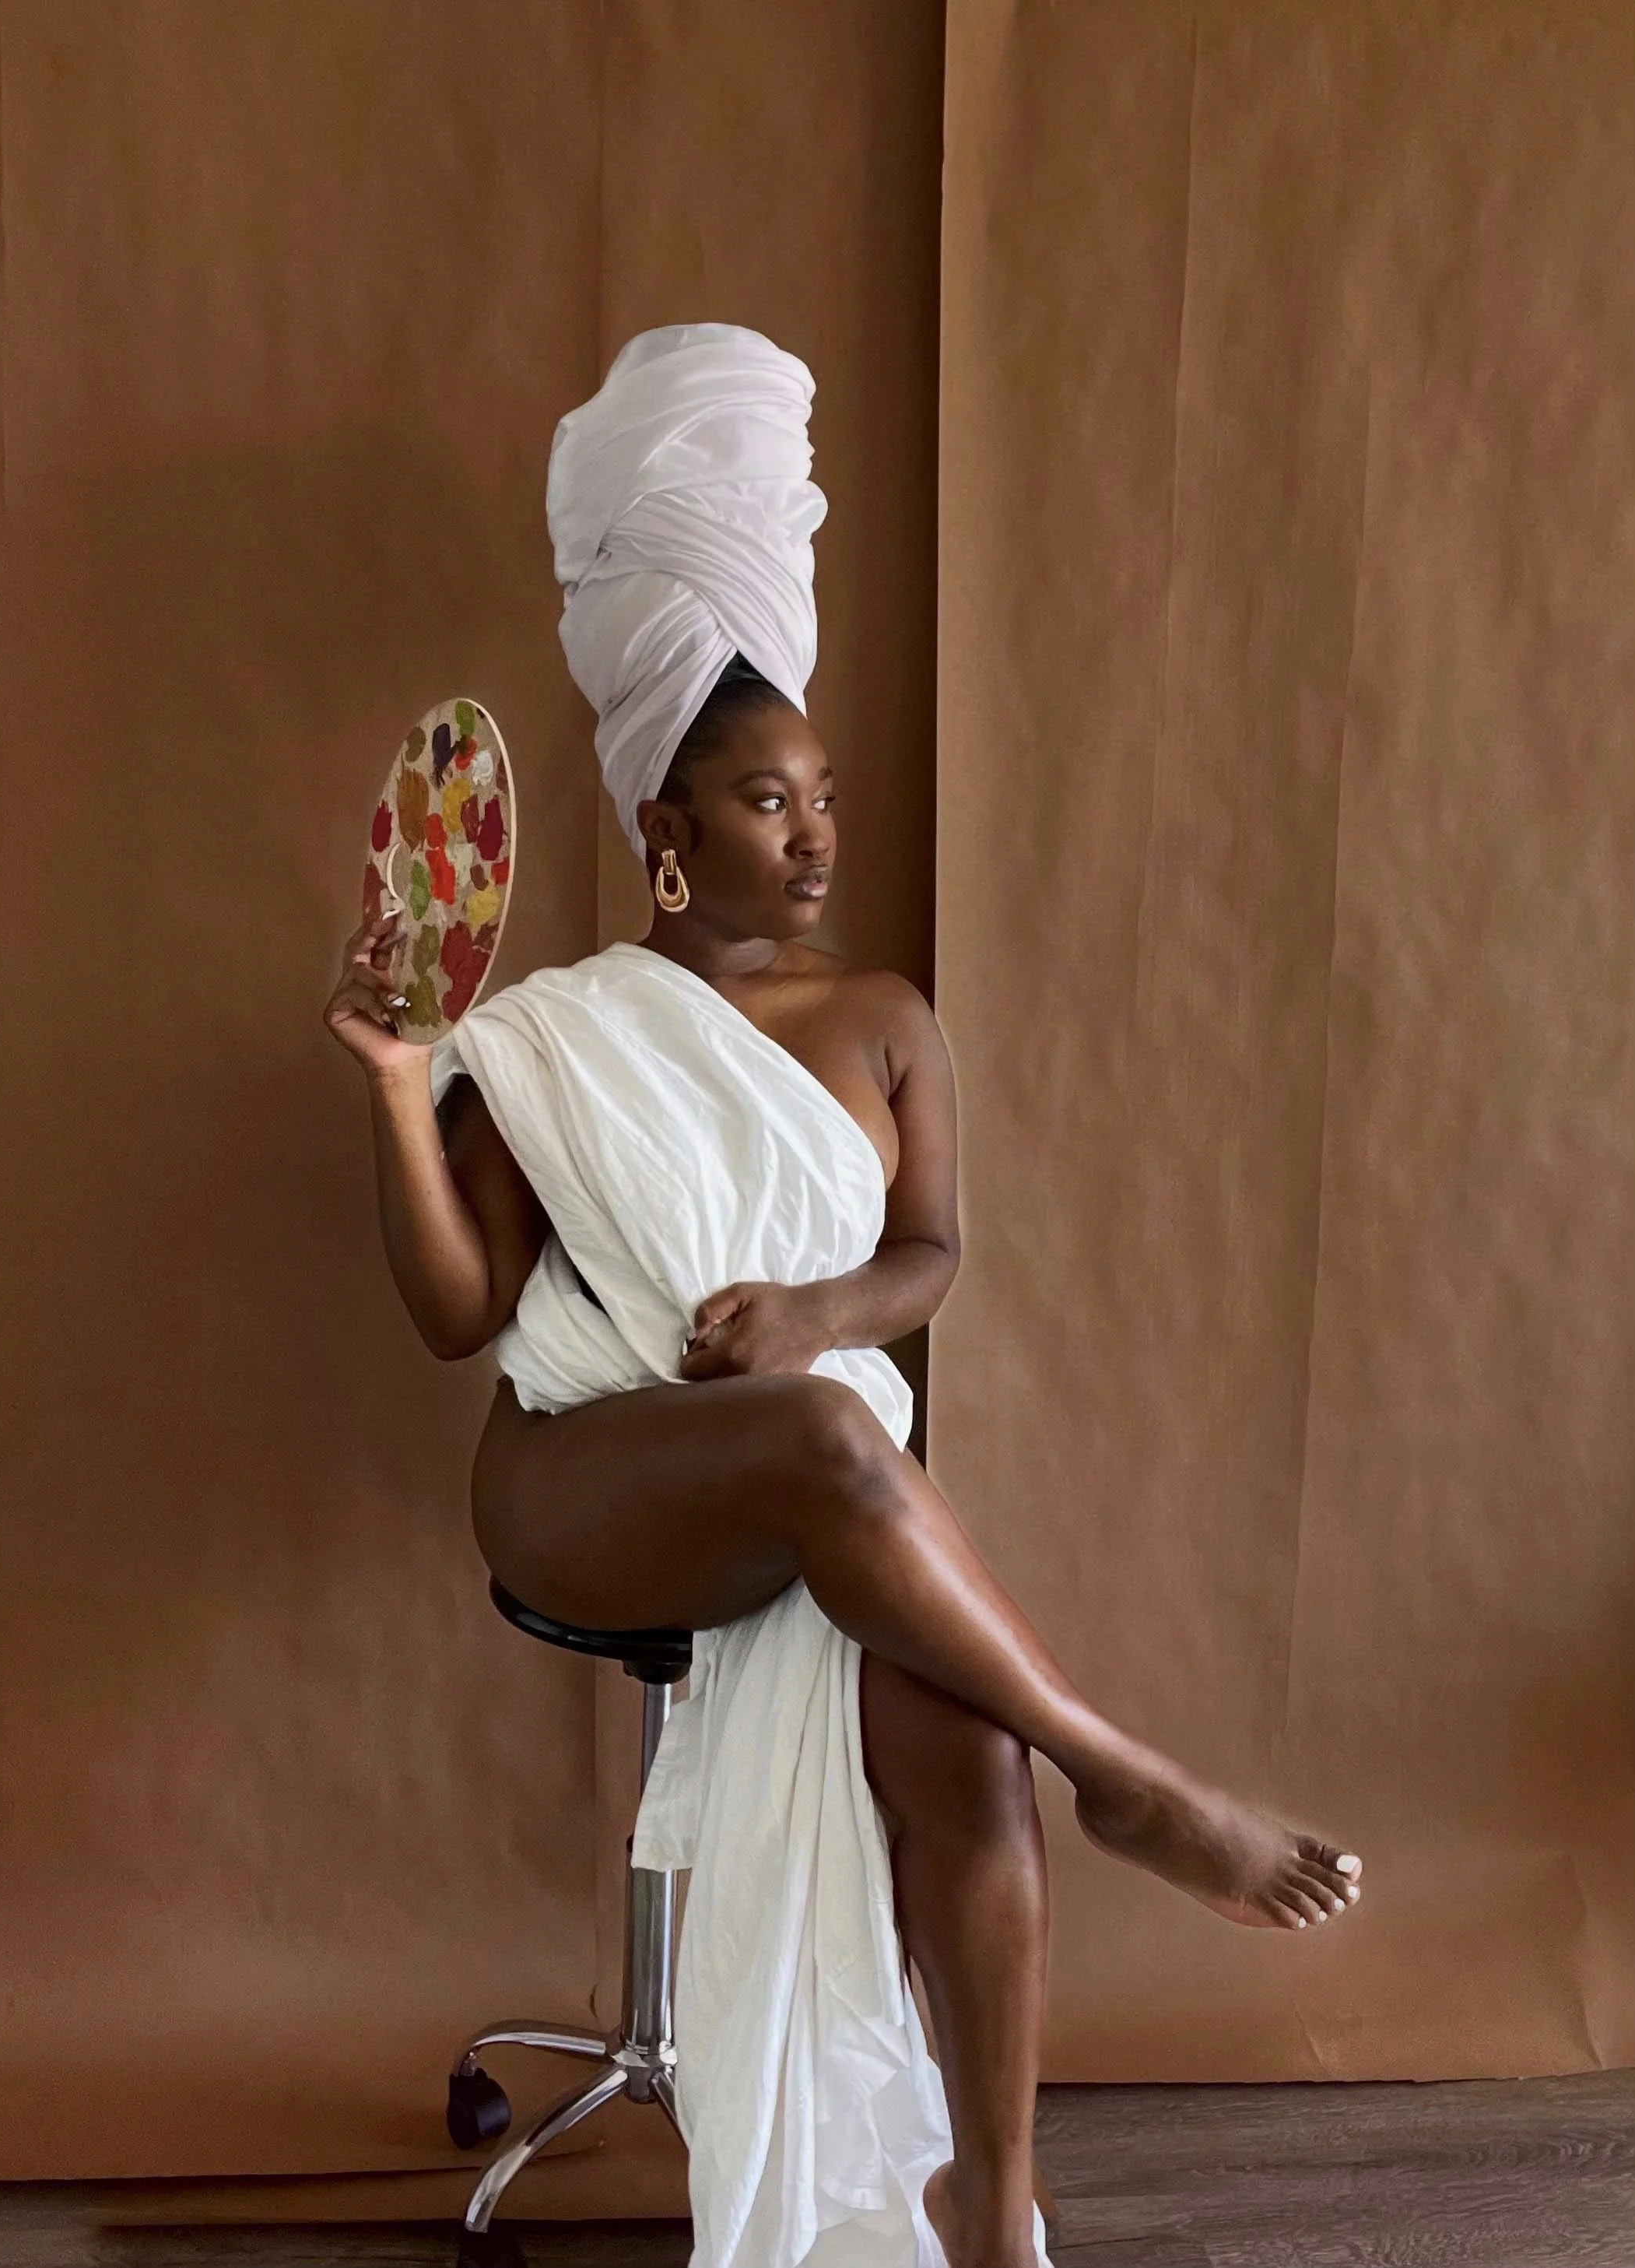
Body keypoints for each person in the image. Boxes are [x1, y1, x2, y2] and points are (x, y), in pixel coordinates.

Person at [324, 327, 1363, 2268]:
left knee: (959, 1727)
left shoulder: (887, 1020)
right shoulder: (558, 1034)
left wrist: (811, 1313)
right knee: (830, 1448)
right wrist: (403, 1084)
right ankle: (1132, 1771)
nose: (813, 832)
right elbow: (459, 1313)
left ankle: (985, 2203)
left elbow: (928, 1261)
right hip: (588, 1475)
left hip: (818, 1458)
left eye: (820, 794)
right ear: (664, 829)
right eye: (762, 800)